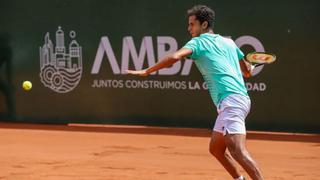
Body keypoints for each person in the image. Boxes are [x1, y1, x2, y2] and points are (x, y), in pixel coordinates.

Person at [126, 5, 263, 180]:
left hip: (231, 101)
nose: (189, 28)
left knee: (237, 150)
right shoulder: (229, 42)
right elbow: (247, 72)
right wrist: (251, 66)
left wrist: (147, 71)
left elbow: (175, 57)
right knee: (216, 149)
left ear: (204, 25)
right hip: (237, 99)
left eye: (192, 24)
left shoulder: (198, 42)